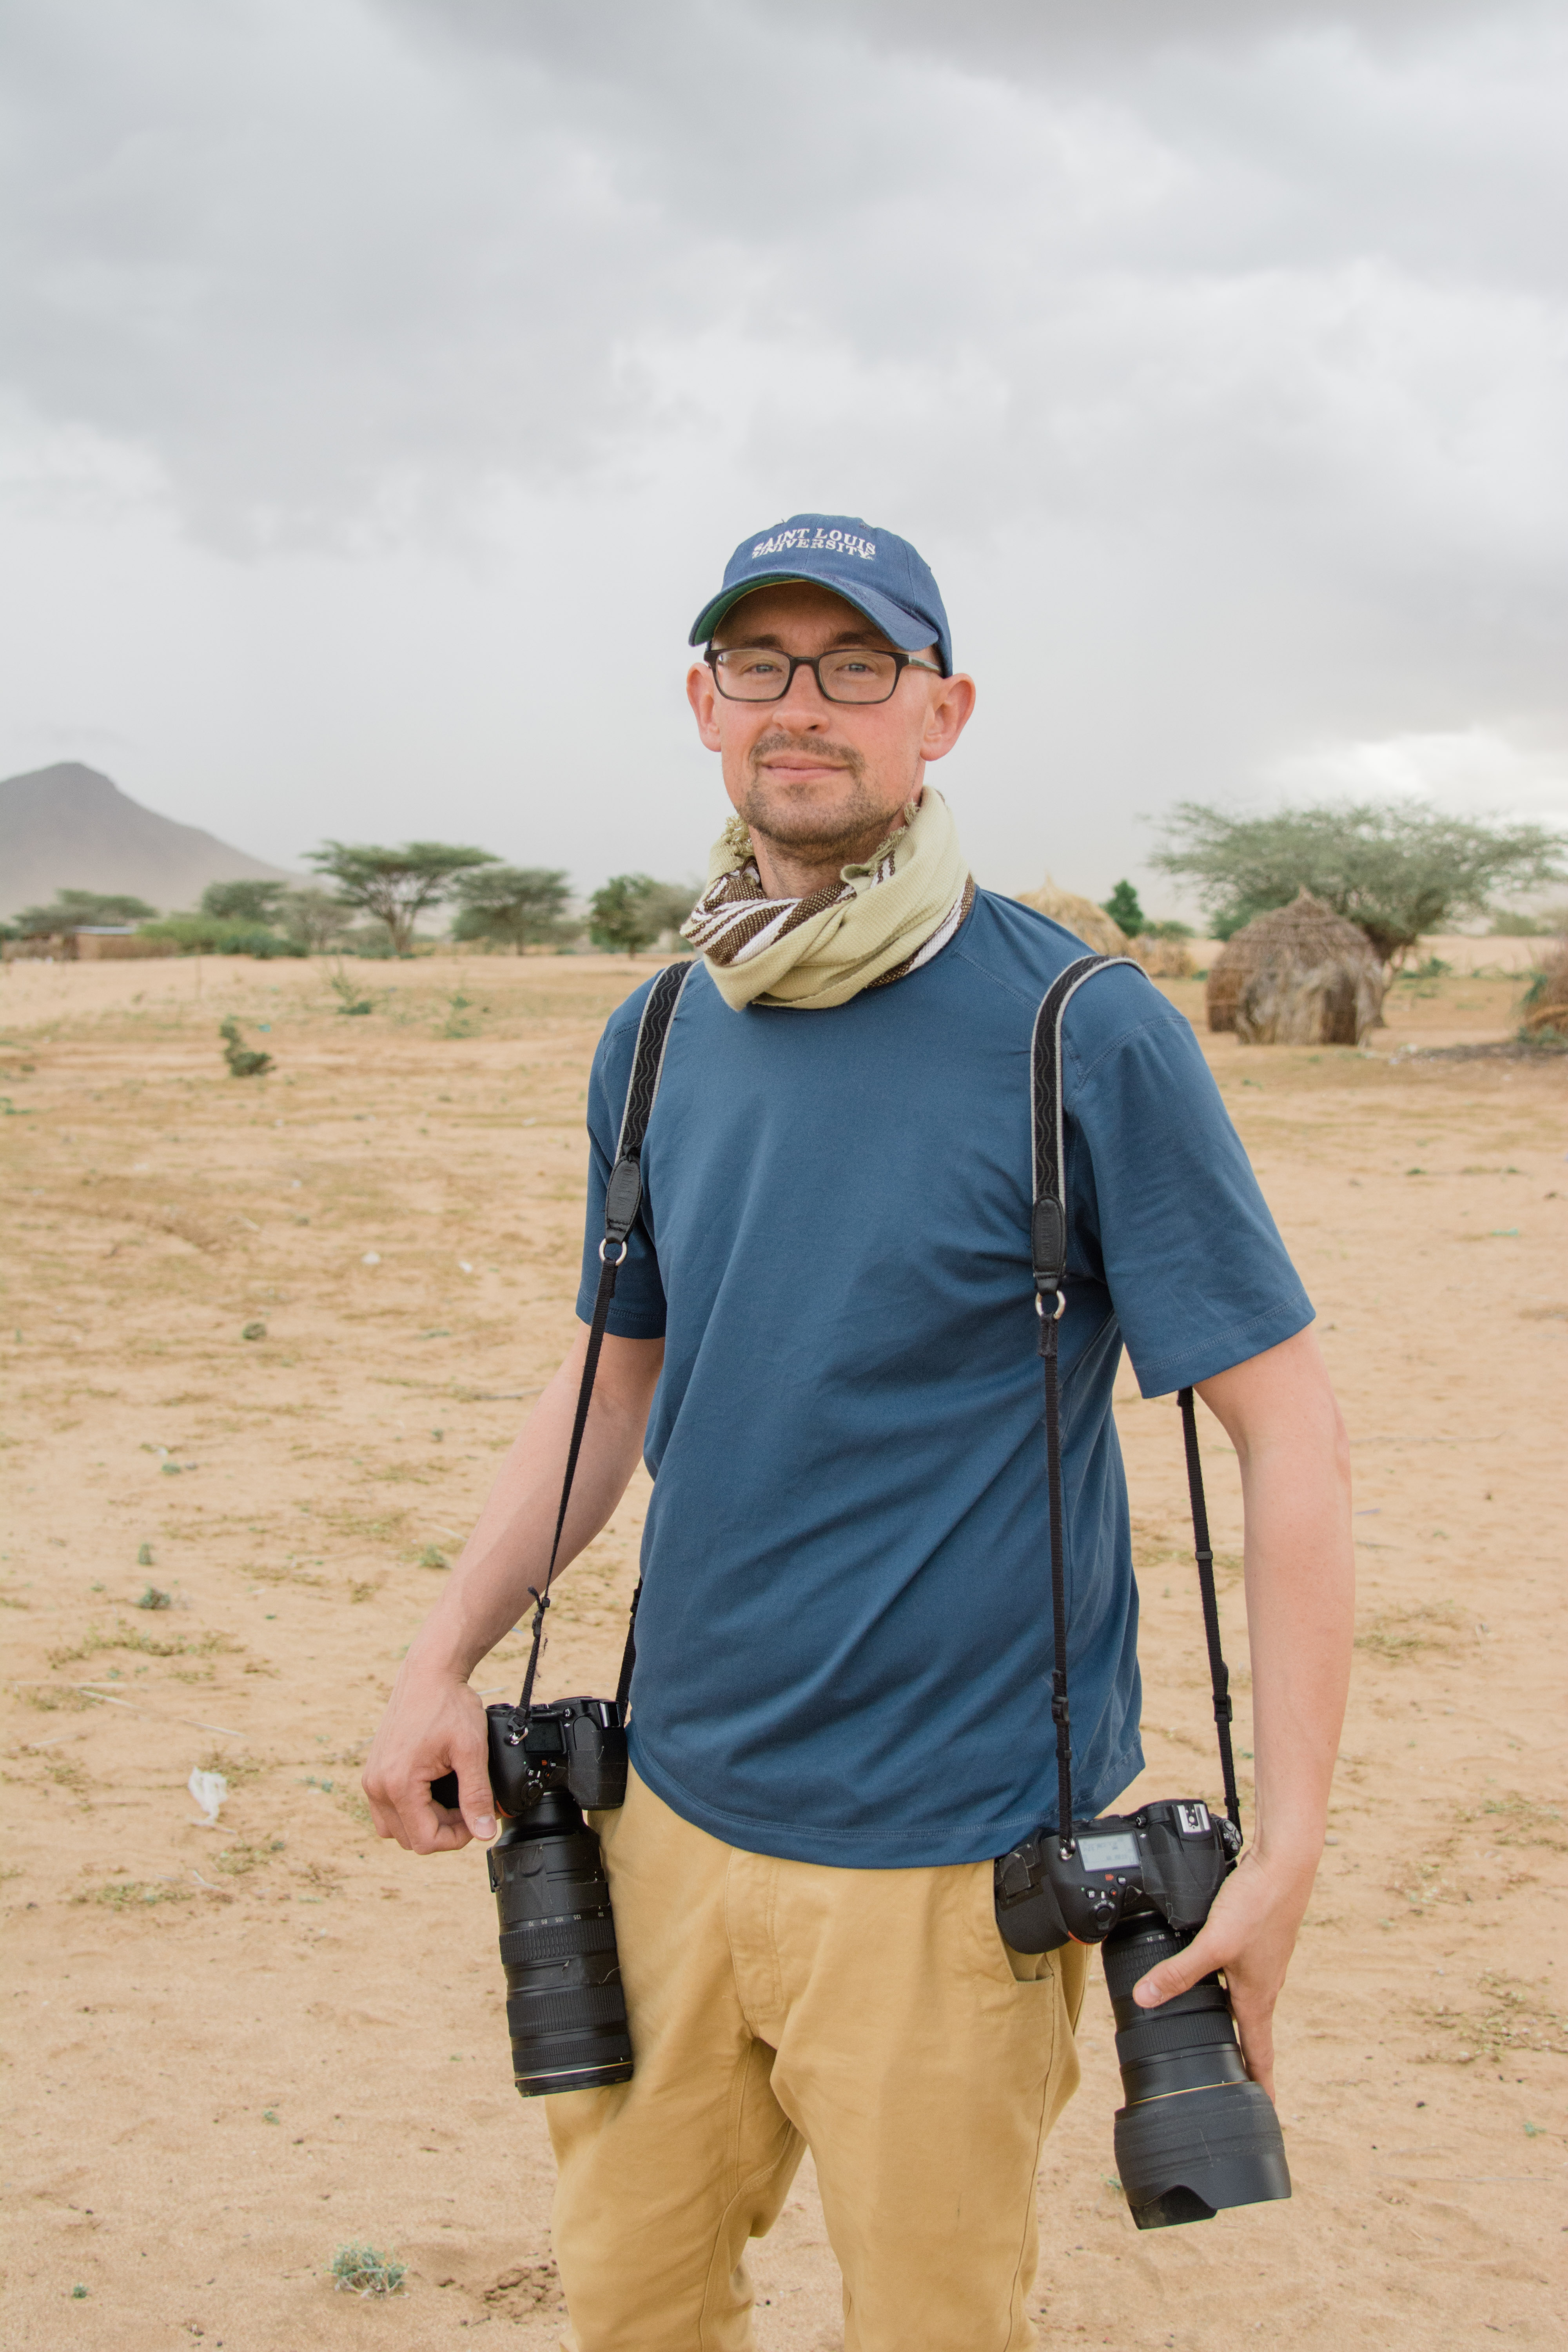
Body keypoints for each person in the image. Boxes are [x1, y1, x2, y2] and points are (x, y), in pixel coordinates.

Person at [363, 512, 1354, 2352]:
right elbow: (614, 1384)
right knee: (634, 2302)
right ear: (703, 704)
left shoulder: (1079, 1032)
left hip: (941, 1866)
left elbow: (1285, 1430)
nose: (800, 705)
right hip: (665, 1819)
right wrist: (442, 1656)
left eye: (855, 666)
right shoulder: (658, 1033)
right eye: (760, 664)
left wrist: (1288, 1845)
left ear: (941, 712)